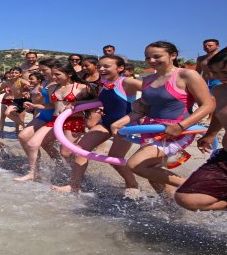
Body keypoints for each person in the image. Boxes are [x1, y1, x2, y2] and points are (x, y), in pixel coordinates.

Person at [110, 41, 214, 202]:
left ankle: (196, 187)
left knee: (136, 165)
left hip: (175, 132)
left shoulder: (187, 75)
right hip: (151, 129)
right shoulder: (148, 80)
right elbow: (140, 110)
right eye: (148, 58)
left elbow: (208, 105)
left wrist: (181, 127)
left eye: (157, 56)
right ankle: (173, 210)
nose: (152, 61)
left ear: (173, 55)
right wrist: (118, 123)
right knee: (154, 174)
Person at [51, 55, 141, 194]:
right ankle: (74, 185)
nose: (101, 69)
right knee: (81, 149)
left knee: (114, 159)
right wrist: (77, 103)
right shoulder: (104, 83)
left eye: (106, 66)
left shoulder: (127, 82)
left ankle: (132, 184)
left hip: (125, 127)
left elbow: (153, 92)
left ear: (120, 68)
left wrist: (144, 110)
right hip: (106, 123)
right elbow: (100, 100)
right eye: (99, 66)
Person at [175, 48, 227, 210]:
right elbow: (219, 116)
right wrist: (210, 135)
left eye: (224, 71)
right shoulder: (219, 90)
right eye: (214, 72)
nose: (217, 76)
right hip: (225, 157)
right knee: (187, 198)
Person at [17, 58, 61, 182]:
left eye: (44, 70)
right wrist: (34, 104)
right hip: (43, 115)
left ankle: (60, 165)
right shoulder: (46, 82)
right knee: (23, 136)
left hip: (54, 117)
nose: (42, 72)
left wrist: (36, 106)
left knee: (45, 144)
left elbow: (56, 105)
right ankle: (35, 169)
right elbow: (44, 101)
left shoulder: (59, 83)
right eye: (40, 70)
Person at [0, 67, 30, 133]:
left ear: (20, 74)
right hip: (16, 100)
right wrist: (0, 91)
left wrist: (27, 90)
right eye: (12, 73)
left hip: (23, 100)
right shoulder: (8, 82)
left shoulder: (22, 81)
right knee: (6, 113)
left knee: (20, 115)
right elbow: (0, 89)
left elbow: (31, 86)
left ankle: (22, 128)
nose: (14, 74)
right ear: (10, 74)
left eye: (16, 73)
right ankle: (23, 125)